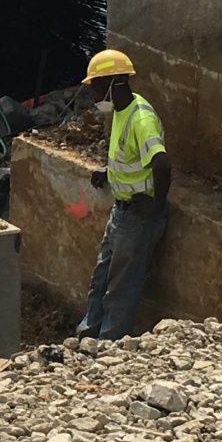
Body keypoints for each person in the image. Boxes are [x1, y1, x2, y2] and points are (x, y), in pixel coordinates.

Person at [75, 48, 171, 341]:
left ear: (115, 82)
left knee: (122, 284)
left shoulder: (141, 118)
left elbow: (161, 163)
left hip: (139, 215)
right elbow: (130, 158)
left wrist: (155, 207)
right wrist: (109, 172)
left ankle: (109, 343)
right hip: (123, 211)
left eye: (98, 86)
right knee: (102, 276)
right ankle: (88, 333)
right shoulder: (120, 111)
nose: (94, 95)